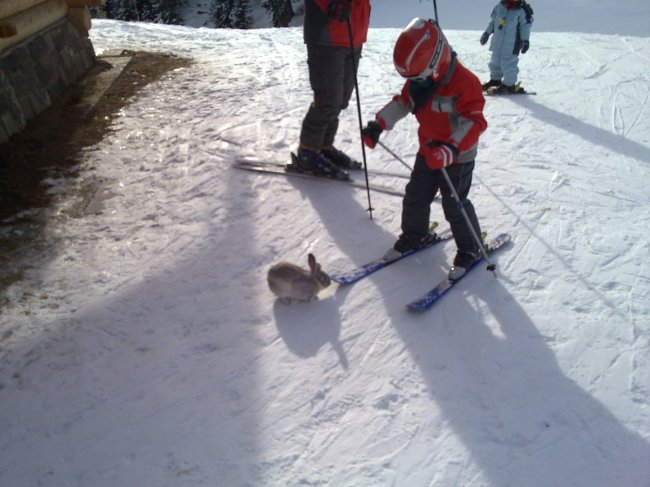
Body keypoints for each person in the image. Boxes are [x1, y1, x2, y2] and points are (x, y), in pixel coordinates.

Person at [361, 18, 488, 281]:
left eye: (416, 77)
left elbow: (475, 122)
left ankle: (471, 248)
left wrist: (451, 148)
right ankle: (415, 234)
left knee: (454, 204)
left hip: (458, 157)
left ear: (436, 63)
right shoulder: (421, 82)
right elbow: (403, 103)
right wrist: (378, 124)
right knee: (416, 195)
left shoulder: (466, 82)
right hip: (428, 151)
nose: (413, 82)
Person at [293, 0, 371, 180]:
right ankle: (307, 152)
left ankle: (323, 147)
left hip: (354, 33)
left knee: (341, 100)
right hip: (327, 33)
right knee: (328, 101)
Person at [480, 0, 534, 94]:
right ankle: (495, 80)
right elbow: (493, 22)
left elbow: (525, 27)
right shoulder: (500, 6)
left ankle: (509, 85)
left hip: (512, 44)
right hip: (498, 41)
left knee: (508, 63)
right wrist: (487, 33)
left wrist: (525, 41)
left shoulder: (522, 10)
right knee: (495, 61)